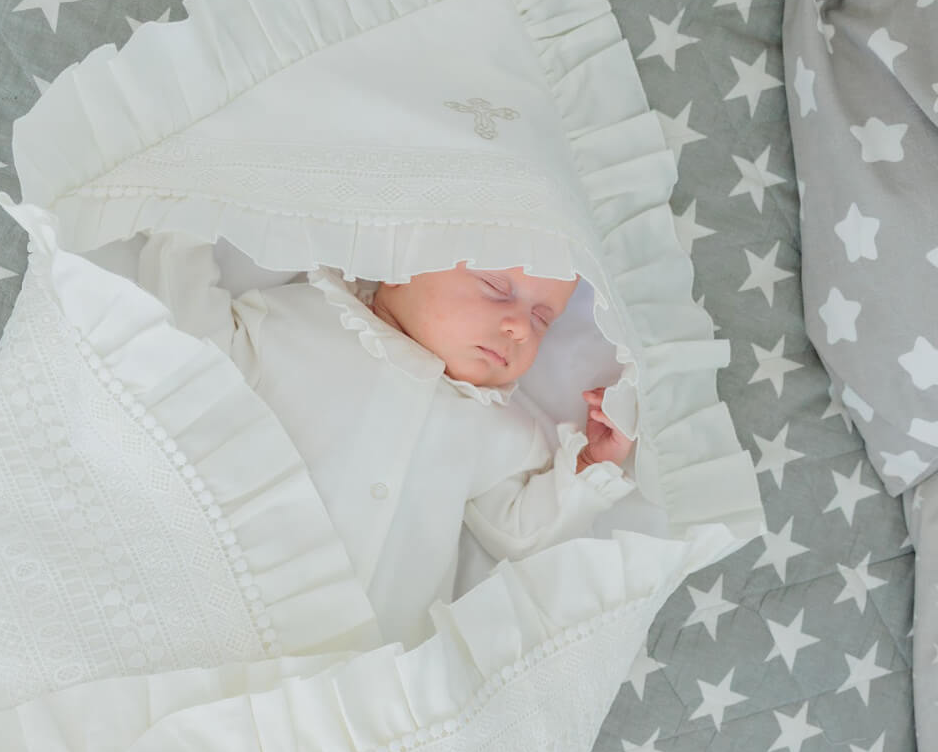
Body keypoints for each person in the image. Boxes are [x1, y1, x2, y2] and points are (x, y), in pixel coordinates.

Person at [137, 233, 636, 648]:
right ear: (402, 266)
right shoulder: (296, 321)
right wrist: (182, 234)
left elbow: (520, 535)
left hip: (371, 668)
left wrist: (592, 465)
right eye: (495, 288)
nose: (519, 328)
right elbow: (187, 344)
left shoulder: (500, 427)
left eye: (543, 318)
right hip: (233, 609)